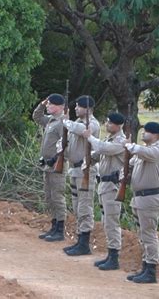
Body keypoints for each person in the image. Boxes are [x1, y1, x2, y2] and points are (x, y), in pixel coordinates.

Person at [83, 112, 126, 270]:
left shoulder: (120, 141)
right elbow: (99, 153)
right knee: (106, 221)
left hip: (113, 187)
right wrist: (90, 157)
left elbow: (102, 148)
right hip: (104, 185)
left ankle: (114, 257)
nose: (107, 125)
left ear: (118, 125)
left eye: (109, 123)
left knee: (112, 222)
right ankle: (110, 254)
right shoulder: (109, 139)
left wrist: (90, 137)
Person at [124, 122, 159, 284]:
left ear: (155, 134)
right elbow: (131, 163)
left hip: (149, 198)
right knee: (142, 234)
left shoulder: (156, 150)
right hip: (139, 198)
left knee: (149, 234)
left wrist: (129, 145)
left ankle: (151, 270)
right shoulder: (145, 152)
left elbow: (140, 151)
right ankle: (145, 266)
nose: (144, 134)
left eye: (147, 131)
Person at [62, 95, 100, 256]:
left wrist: (66, 121)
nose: (76, 109)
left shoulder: (93, 124)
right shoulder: (77, 122)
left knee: (85, 207)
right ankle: (79, 240)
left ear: (88, 108)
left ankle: (84, 243)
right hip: (75, 170)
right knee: (77, 206)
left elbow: (83, 132)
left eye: (79, 106)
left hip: (86, 170)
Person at [32, 94, 67, 242]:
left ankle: (60, 229)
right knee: (49, 197)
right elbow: (36, 116)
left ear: (59, 107)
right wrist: (42, 104)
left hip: (57, 165)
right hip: (47, 165)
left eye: (50, 104)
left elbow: (66, 144)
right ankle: (53, 226)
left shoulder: (63, 123)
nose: (48, 106)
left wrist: (56, 159)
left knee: (57, 197)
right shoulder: (51, 121)